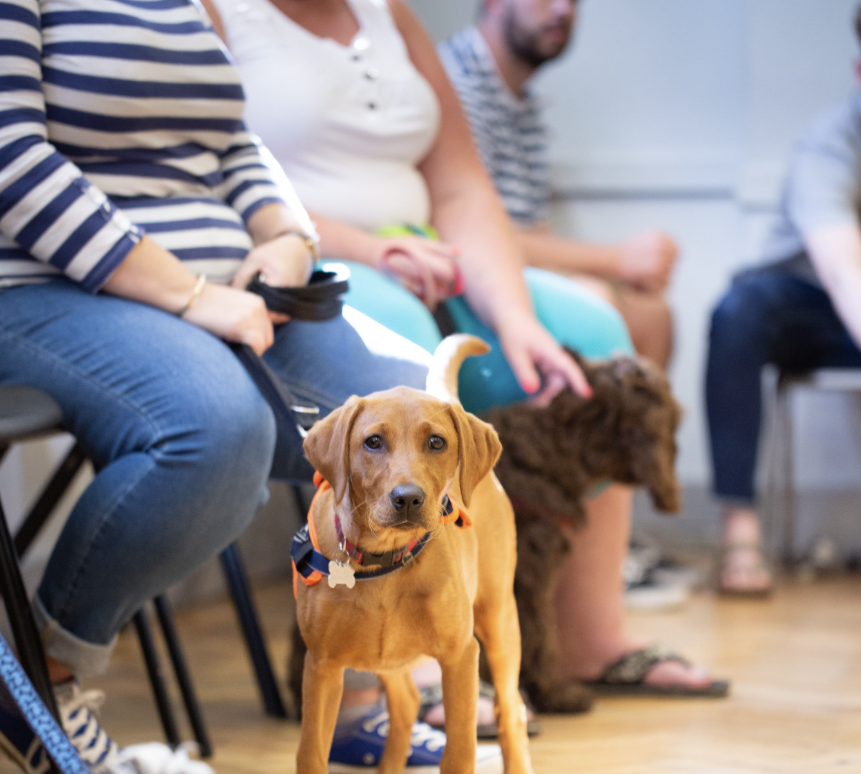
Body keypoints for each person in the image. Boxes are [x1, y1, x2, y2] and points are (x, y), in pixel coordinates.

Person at [0, 0, 491, 774]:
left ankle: (386, 663)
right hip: (18, 285)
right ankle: (40, 679)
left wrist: (285, 238)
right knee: (215, 431)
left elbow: (233, 139)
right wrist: (187, 292)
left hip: (224, 283)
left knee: (416, 406)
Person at [214, 0, 721, 716]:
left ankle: (587, 636)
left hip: (431, 249)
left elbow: (460, 185)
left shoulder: (389, 14)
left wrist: (516, 320)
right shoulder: (217, 14)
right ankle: (408, 663)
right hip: (307, 264)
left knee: (597, 338)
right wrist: (370, 248)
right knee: (407, 374)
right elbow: (218, 178)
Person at [706, 6, 861, 595]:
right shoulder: (830, 145)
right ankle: (739, 528)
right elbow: (846, 275)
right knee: (738, 313)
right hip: (815, 305)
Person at [440, 0, 678, 369]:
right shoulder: (455, 85)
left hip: (507, 267)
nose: (562, 10)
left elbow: (533, 234)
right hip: (461, 279)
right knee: (596, 304)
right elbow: (467, 232)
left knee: (652, 316)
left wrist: (620, 269)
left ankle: (636, 428)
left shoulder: (523, 103)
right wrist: (618, 261)